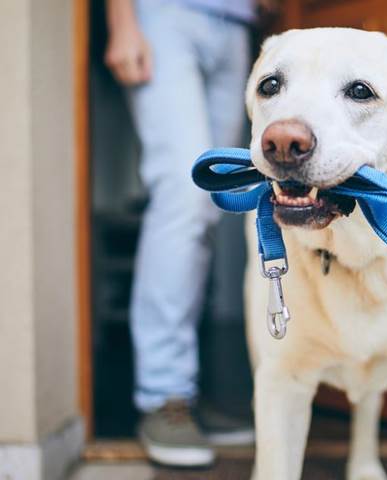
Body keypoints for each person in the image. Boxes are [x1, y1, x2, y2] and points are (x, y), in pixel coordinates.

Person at [105, 0, 276, 467]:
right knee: (186, 195)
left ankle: (191, 392)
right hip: (164, 15)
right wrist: (122, 22)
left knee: (219, 198)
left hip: (236, 26)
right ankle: (164, 395)